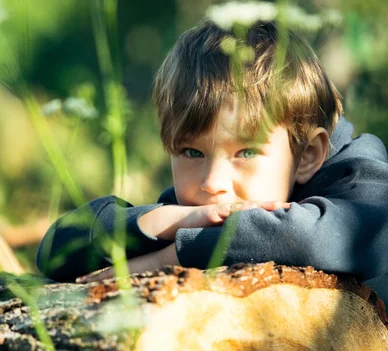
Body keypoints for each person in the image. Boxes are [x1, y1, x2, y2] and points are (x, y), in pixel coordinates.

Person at [36, 19, 388, 296]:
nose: (212, 183)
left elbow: (310, 238)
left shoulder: (360, 177)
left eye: (245, 152)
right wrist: (164, 221)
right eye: (191, 151)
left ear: (309, 155)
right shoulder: (200, 205)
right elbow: (56, 249)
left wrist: (170, 256)